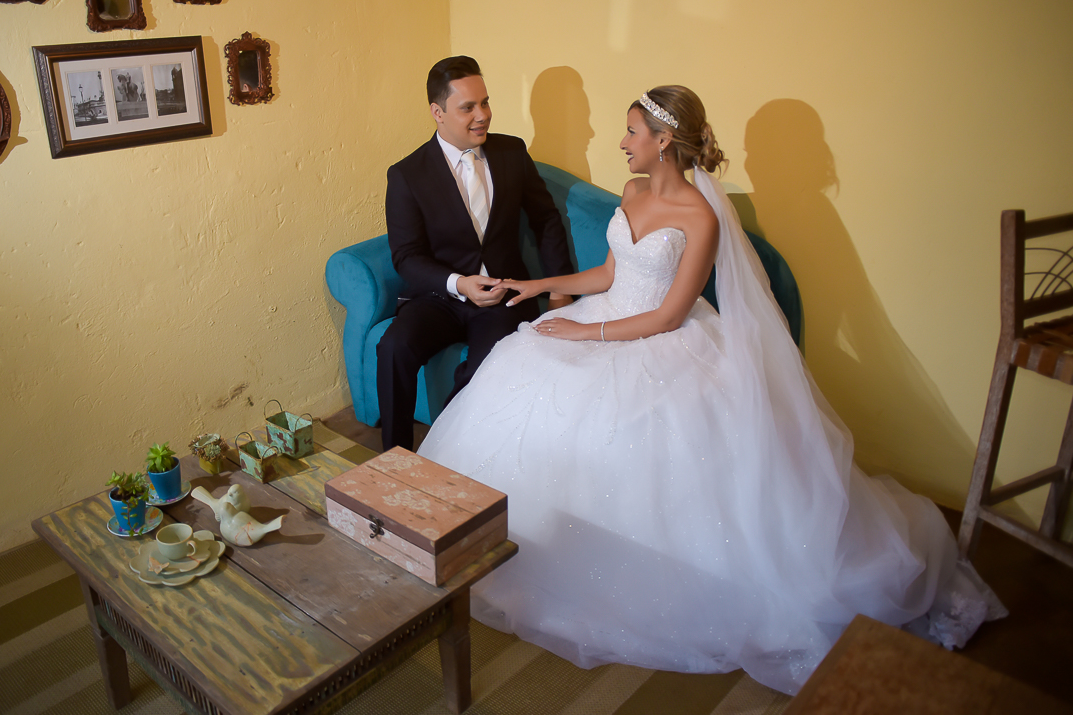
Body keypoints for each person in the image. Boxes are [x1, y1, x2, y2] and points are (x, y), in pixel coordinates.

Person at [417, 85, 1005, 695]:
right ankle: (475, 538)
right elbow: (612, 274)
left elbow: (668, 315)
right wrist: (539, 287)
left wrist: (585, 332)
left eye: (632, 132)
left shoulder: (699, 216)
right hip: (608, 314)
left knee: (609, 416)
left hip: (659, 337)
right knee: (525, 367)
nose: (621, 143)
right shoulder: (632, 191)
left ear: (663, 140)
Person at [378, 56, 575, 452]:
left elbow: (546, 219)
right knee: (392, 348)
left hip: (504, 296)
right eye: (467, 107)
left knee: (486, 369)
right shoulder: (406, 175)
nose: (482, 115)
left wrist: (559, 289)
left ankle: (446, 453)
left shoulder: (511, 152)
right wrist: (459, 283)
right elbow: (406, 256)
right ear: (437, 112)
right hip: (440, 297)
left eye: (484, 102)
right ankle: (393, 459)